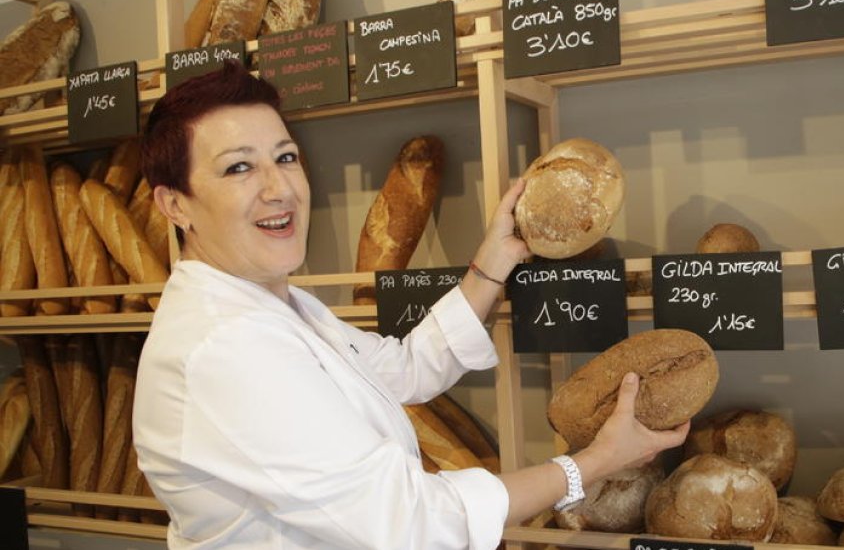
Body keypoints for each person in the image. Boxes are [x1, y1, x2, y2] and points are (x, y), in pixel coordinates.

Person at [131, 61, 688, 549]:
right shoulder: (224, 348)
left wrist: (492, 263)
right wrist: (594, 464)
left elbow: (400, 369)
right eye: (239, 167)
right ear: (175, 203)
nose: (280, 187)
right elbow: (413, 523)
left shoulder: (271, 306)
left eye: (286, 157)